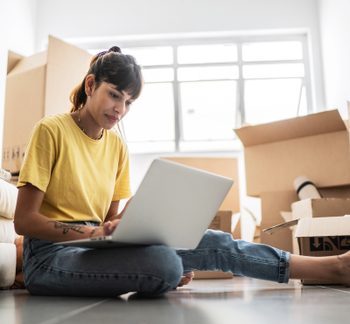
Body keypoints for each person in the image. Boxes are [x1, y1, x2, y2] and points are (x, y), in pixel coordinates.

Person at [13, 47, 350, 297]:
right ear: (90, 85)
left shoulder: (116, 147)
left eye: (129, 102)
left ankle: (331, 267)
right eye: (114, 95)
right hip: (48, 255)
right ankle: (157, 273)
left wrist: (125, 226)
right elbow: (24, 221)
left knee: (214, 242)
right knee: (166, 266)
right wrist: (95, 234)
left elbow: (108, 221)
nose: (120, 109)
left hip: (94, 247)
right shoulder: (51, 130)